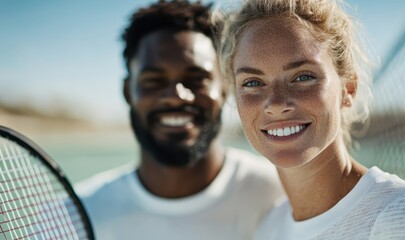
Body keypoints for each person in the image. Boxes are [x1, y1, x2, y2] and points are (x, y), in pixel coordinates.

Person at [218, 0, 405, 239]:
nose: (276, 104)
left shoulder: (404, 220)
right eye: (252, 83)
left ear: (348, 89)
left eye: (303, 77)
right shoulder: (268, 227)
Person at [76, 1, 283, 239]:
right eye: (153, 81)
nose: (176, 97)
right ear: (127, 91)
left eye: (197, 79)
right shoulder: (77, 214)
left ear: (226, 87)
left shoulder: (278, 195)